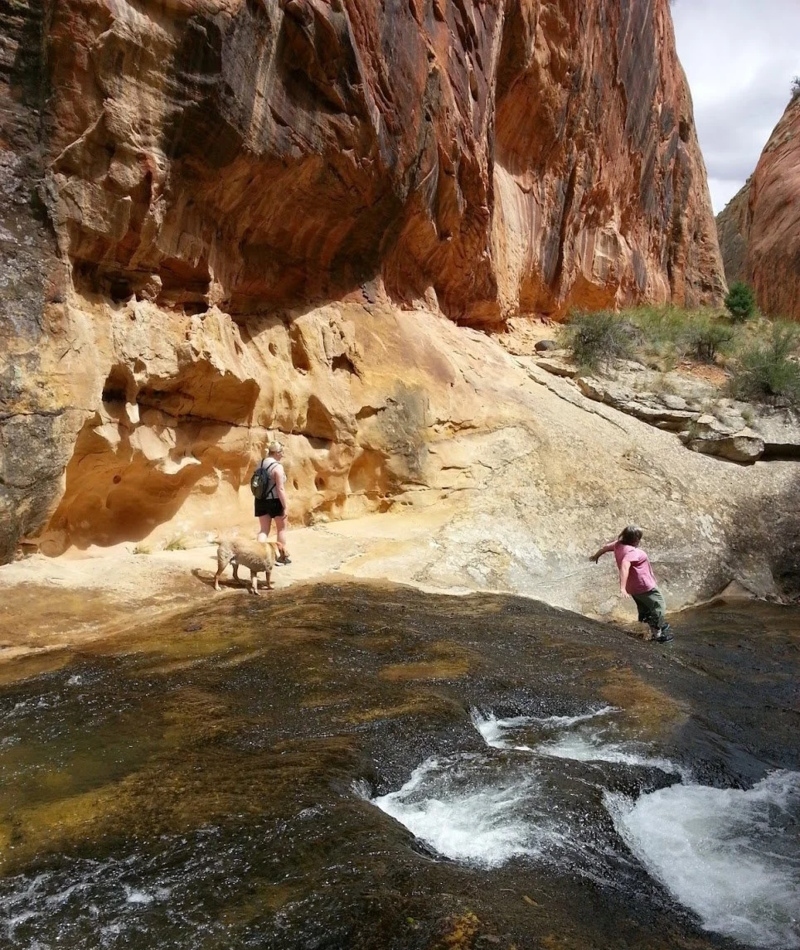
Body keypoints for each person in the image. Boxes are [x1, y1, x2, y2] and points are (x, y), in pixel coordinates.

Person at [589, 525, 673, 642]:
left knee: (644, 608)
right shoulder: (633, 552)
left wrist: (595, 556)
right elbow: (625, 565)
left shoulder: (618, 545)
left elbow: (605, 547)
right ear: (636, 539)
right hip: (644, 587)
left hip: (633, 587)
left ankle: (645, 627)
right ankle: (657, 634)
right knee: (659, 607)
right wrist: (622, 588)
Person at [255, 440, 291, 564]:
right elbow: (280, 488)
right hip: (275, 501)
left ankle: (259, 556)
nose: (282, 455)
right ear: (276, 452)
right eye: (281, 452)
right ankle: (282, 557)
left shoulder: (260, 463)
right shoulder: (277, 467)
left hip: (260, 500)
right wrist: (285, 506)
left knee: (264, 530)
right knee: (281, 529)